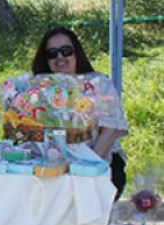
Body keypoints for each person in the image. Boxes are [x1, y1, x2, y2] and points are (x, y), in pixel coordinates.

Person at [31, 26, 128, 198]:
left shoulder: (99, 83)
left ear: (77, 53)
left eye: (66, 51)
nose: (60, 57)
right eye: (52, 53)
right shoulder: (36, 88)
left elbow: (111, 129)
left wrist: (87, 169)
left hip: (98, 163)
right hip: (50, 170)